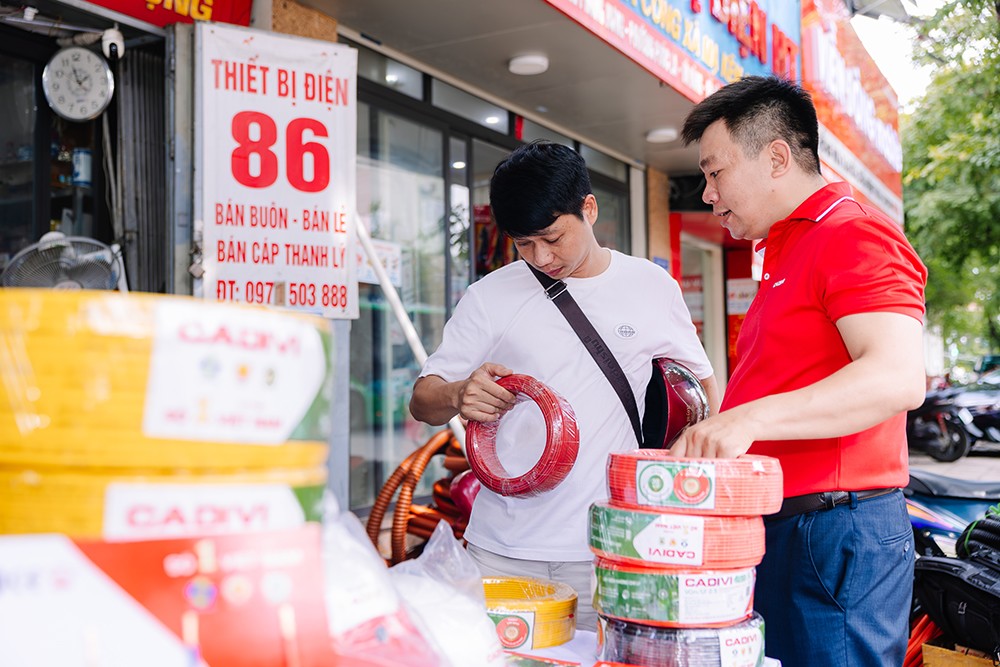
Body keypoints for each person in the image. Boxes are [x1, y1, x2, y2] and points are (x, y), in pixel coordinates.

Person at [409, 140, 720, 631]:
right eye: (524, 244)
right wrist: (455, 394)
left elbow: (703, 394)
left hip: (610, 548)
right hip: (501, 552)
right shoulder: (489, 296)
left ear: (588, 209)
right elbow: (422, 398)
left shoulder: (651, 287)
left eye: (552, 238)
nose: (542, 257)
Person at [672, 75, 927, 666]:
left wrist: (743, 421)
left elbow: (896, 377)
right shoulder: (789, 247)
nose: (708, 194)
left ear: (778, 157)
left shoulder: (852, 232)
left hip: (837, 531)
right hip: (792, 528)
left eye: (716, 173)